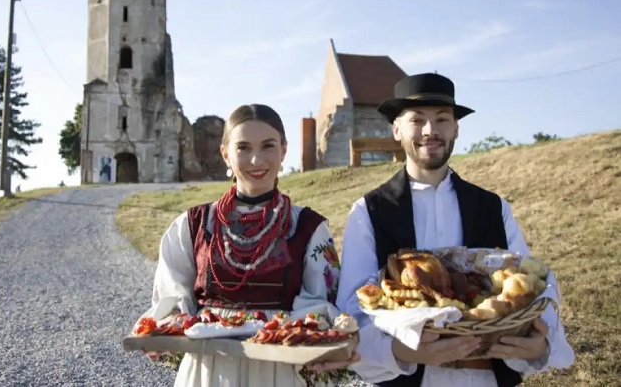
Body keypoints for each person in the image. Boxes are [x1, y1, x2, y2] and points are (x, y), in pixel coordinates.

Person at [336, 73, 575, 386]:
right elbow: (353, 312)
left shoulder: (493, 207)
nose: (430, 131)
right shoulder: (369, 212)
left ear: (456, 129)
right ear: (396, 129)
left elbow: (531, 289)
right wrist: (402, 350)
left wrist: (540, 344)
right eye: (417, 120)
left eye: (442, 119)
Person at [134, 104, 357, 387]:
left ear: (283, 151)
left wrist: (301, 332)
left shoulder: (308, 228)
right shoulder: (193, 225)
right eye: (243, 148)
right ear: (226, 153)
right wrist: (175, 326)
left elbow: (323, 306)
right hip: (208, 368)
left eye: (268, 146)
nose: (256, 159)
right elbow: (172, 302)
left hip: (280, 368)